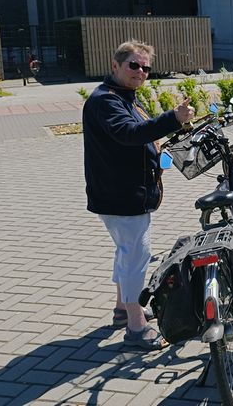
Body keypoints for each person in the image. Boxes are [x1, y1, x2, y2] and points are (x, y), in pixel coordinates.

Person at [82, 40, 195, 351]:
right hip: (122, 196)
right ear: (115, 66)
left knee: (126, 252)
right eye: (134, 65)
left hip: (121, 194)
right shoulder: (106, 101)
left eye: (146, 67)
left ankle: (122, 308)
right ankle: (136, 326)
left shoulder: (123, 98)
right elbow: (129, 134)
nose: (141, 71)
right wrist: (173, 118)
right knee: (136, 257)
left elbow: (140, 134)